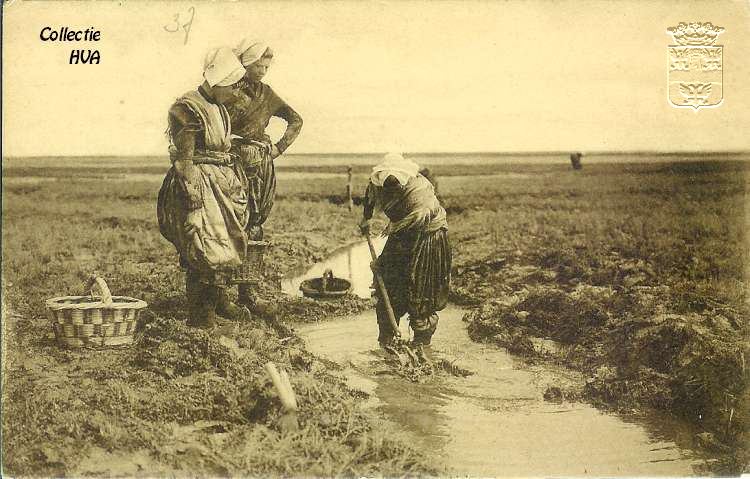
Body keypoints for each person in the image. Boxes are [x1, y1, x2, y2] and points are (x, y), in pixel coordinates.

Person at [157, 46, 251, 328]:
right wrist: (194, 205)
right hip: (196, 186)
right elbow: (185, 162)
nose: (236, 92)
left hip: (219, 186)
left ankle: (214, 308)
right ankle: (201, 319)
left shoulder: (219, 107)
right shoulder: (187, 109)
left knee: (222, 248)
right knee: (202, 250)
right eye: (232, 86)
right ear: (219, 81)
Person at [226, 39, 303, 306]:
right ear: (247, 63)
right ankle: (221, 293)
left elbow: (296, 119)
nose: (265, 69)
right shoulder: (227, 90)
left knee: (255, 223)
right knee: (227, 222)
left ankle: (248, 290)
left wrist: (279, 148)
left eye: (268, 65)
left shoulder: (267, 94)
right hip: (229, 164)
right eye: (261, 64)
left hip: (260, 165)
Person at [359, 153, 452, 347]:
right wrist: (366, 219)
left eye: (395, 183)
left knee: (420, 290)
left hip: (429, 237)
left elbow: (414, 228)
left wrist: (386, 261)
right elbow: (369, 197)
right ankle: (387, 339)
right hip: (402, 233)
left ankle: (421, 343)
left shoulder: (419, 191)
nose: (392, 186)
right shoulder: (378, 183)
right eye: (388, 183)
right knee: (389, 287)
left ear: (403, 178)